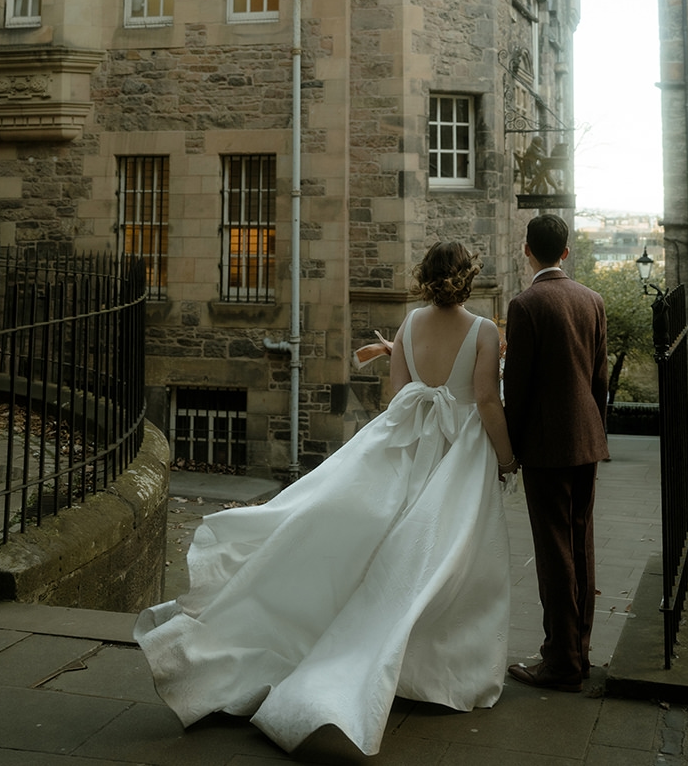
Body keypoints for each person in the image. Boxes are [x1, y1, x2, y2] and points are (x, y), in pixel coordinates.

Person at [135, 241, 518, 758]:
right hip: (457, 457)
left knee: (386, 552)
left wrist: (402, 360)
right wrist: (507, 456)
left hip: (403, 448)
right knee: (448, 560)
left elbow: (397, 398)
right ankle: (438, 673)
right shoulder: (485, 330)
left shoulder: (408, 325)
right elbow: (487, 400)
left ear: (425, 277)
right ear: (469, 279)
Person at [503, 213, 608, 693]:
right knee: (580, 547)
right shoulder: (593, 300)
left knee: (554, 555)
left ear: (528, 250)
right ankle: (578, 654)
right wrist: (594, 431)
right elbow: (599, 382)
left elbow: (517, 389)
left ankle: (561, 662)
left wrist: (510, 444)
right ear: (565, 252)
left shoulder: (525, 305)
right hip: (586, 440)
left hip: (545, 447)